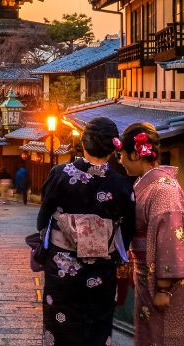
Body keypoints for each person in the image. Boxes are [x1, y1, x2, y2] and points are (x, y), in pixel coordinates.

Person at [37, 117, 134, 346]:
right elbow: (127, 229)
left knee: (60, 329)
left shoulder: (59, 174)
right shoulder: (121, 185)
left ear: (82, 143)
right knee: (97, 330)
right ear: (113, 148)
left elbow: (43, 218)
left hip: (62, 269)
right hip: (101, 271)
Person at [120, 122, 184, 345]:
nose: (120, 160)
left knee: (164, 335)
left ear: (136, 155)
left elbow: (170, 239)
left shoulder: (162, 190)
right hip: (148, 273)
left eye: (122, 155)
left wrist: (164, 288)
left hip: (165, 281)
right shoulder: (148, 185)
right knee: (150, 333)